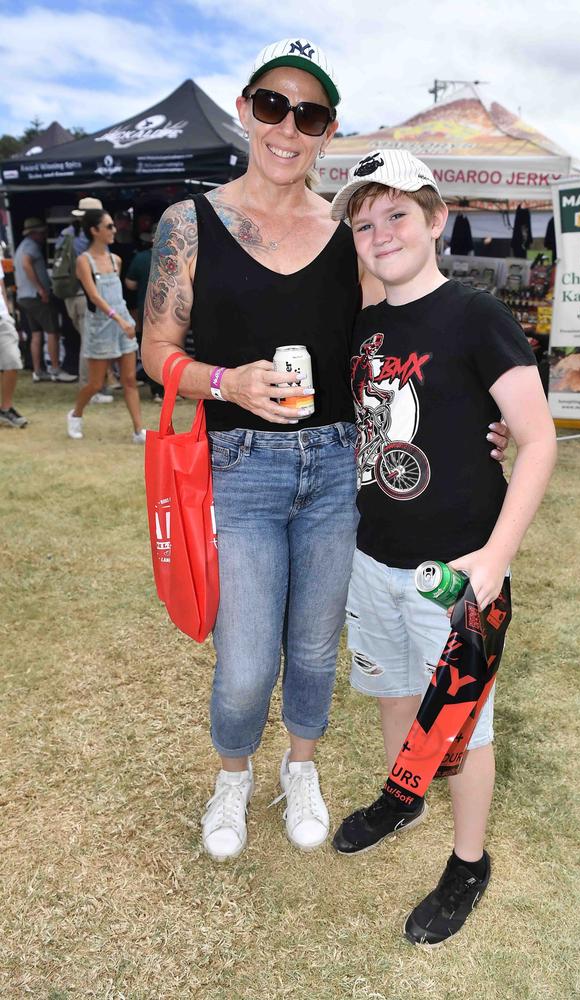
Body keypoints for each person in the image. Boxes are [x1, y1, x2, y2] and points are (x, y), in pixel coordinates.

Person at [141, 38, 509, 864]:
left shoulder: (347, 233)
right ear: (245, 109)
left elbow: (404, 337)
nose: (287, 126)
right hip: (238, 467)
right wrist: (223, 382)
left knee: (312, 647)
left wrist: (479, 417)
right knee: (242, 662)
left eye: (308, 114)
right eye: (272, 105)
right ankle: (231, 778)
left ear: (326, 130)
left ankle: (299, 767)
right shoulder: (187, 224)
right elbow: (153, 351)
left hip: (342, 466)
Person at [328, 149, 557, 946]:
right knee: (394, 692)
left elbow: (537, 439)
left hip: (453, 571)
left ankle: (468, 861)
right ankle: (403, 795)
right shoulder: (365, 322)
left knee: (460, 728)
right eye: (364, 222)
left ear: (435, 220)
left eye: (397, 214)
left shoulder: (476, 314)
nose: (380, 232)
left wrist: (493, 558)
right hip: (370, 554)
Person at [66, 209, 145, 443]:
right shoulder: (84, 261)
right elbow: (95, 297)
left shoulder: (115, 260)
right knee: (95, 383)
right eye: (109, 226)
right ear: (94, 231)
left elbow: (116, 296)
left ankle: (138, 430)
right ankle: (76, 414)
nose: (114, 230)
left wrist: (125, 320)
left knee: (129, 379)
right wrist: (120, 319)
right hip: (101, 325)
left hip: (121, 322)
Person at [55, 196, 113, 404]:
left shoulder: (65, 234)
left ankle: (94, 385)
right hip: (85, 296)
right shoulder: (85, 240)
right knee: (89, 343)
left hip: (72, 296)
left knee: (88, 341)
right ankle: (90, 388)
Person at [14, 218, 76, 382]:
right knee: (53, 332)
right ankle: (55, 369)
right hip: (35, 296)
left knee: (36, 333)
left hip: (24, 296)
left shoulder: (21, 245)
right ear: (35, 233)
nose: (44, 236)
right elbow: (26, 264)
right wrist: (41, 288)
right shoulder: (31, 246)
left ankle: (38, 371)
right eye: (42, 233)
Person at [125, 230, 163, 400]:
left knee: (151, 351)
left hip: (146, 309)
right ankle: (174, 388)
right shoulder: (178, 257)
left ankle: (156, 391)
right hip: (175, 311)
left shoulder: (141, 258)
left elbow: (130, 283)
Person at [0, 277, 28, 427]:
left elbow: (1, 285)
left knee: (13, 361)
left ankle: (5, 409)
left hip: (2, 318)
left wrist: (7, 312)